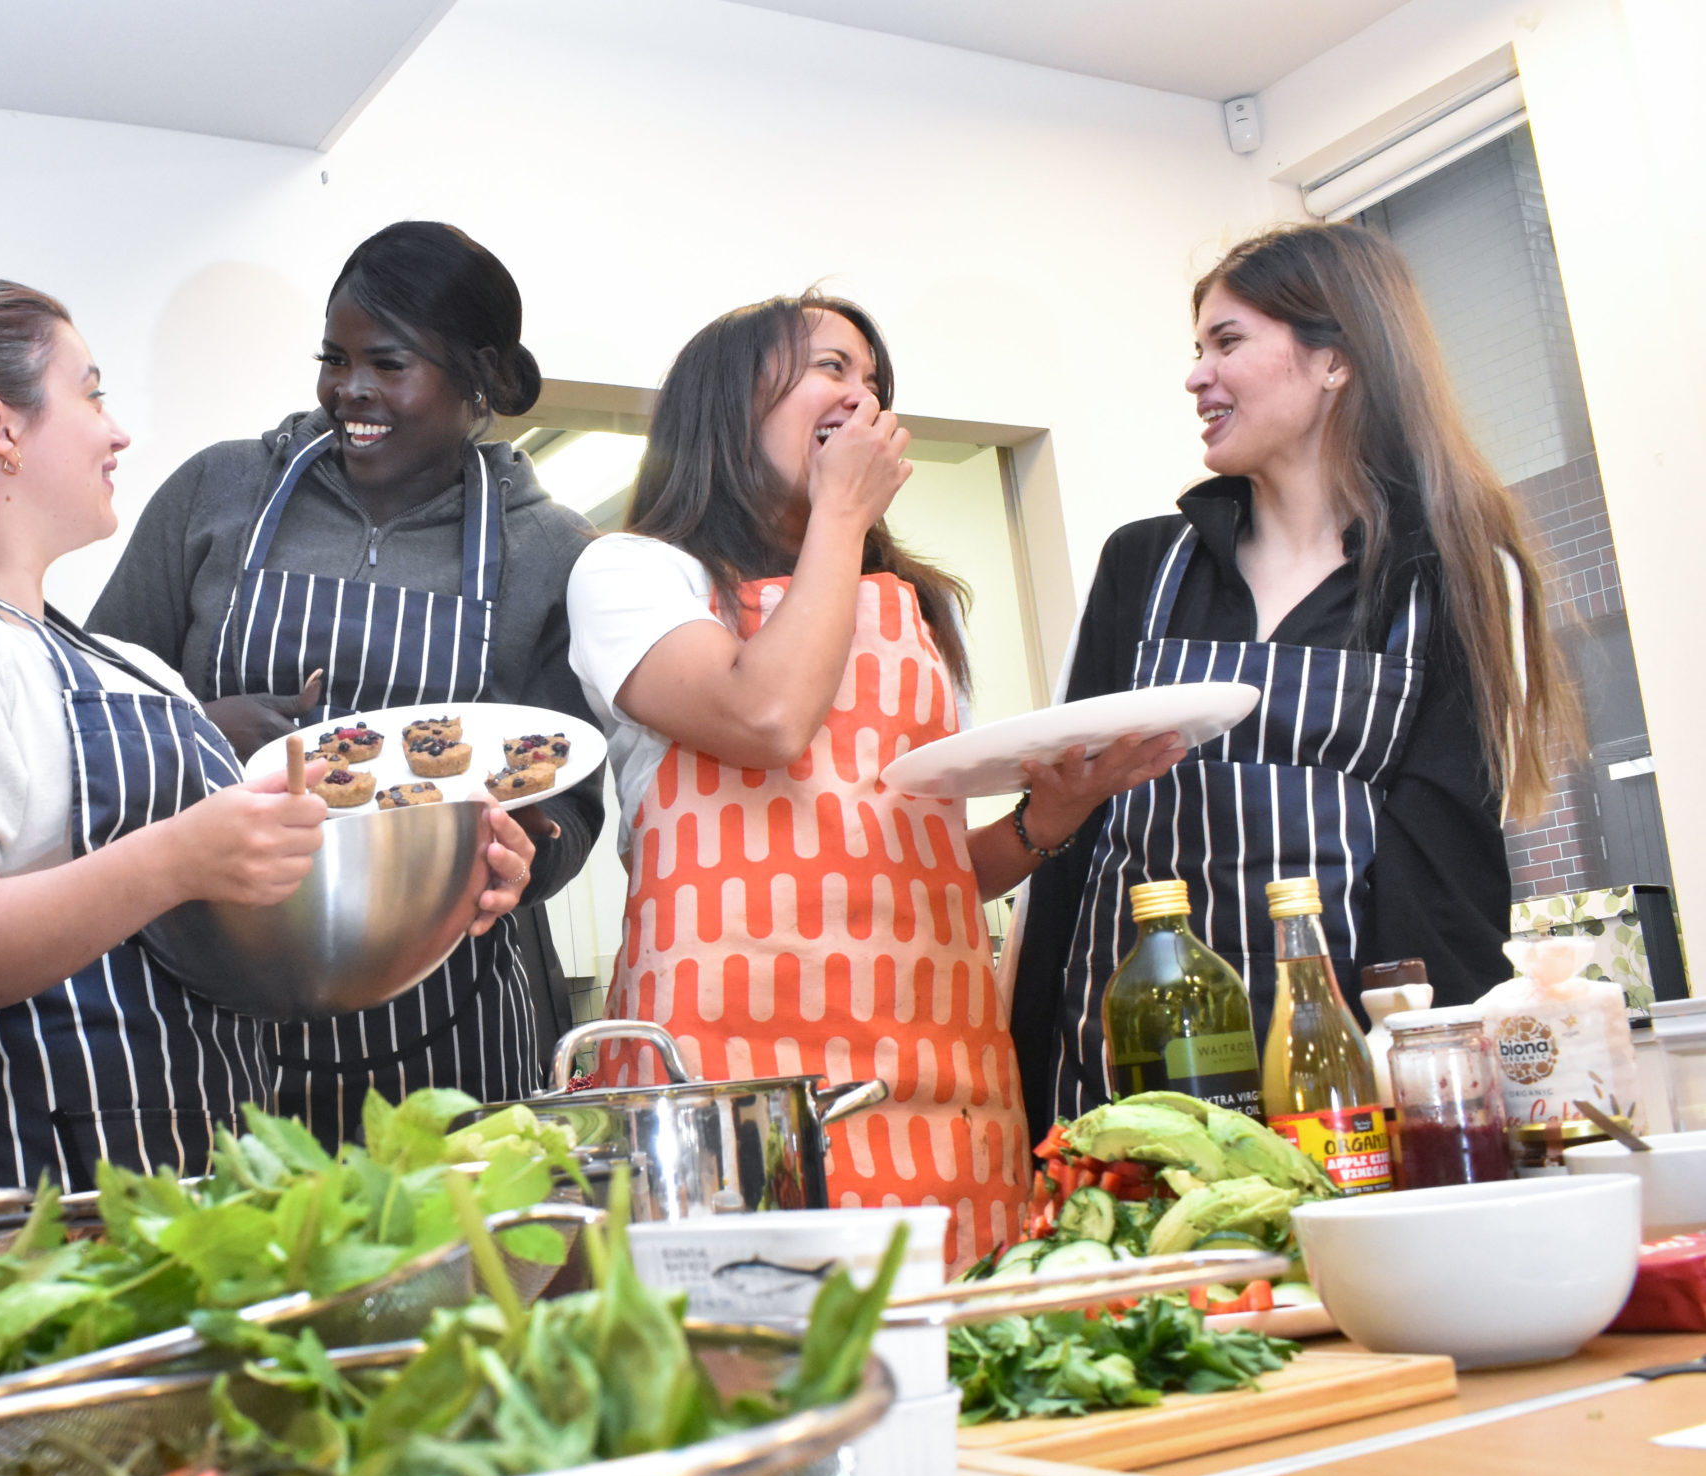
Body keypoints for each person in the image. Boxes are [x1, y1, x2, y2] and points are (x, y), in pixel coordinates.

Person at [0, 277, 538, 1187]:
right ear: (2, 427)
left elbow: (250, 881)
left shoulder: (128, 667)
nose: (116, 431)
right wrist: (172, 860)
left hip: (191, 1155)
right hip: (35, 1186)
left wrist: (449, 860)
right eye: (91, 393)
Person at [566, 294, 1179, 1268]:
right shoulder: (633, 572)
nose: (864, 397)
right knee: (764, 1367)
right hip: (727, 1094)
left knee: (973, 1377)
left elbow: (919, 863)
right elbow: (762, 716)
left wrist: (1047, 817)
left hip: (936, 1075)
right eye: (829, 368)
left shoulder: (920, 609)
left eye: (874, 380)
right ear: (728, 401)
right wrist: (842, 515)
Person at [1009, 222, 1573, 1132]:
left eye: (1228, 342)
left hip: (1340, 1072)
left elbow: (1445, 873)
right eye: (1197, 349)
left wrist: (1449, 1110)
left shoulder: (1446, 579)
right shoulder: (1148, 566)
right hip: (1123, 1068)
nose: (1197, 376)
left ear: (1334, 360)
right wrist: (1022, 1062)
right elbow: (1074, 830)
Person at [88, 222, 600, 1143]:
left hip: (455, 1010)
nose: (350, 389)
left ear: (477, 374)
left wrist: (528, 855)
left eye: (389, 363)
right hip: (215, 990)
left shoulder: (548, 549)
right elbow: (94, 720)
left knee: (459, 1266)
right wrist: (204, 730)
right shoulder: (219, 494)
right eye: (335, 358)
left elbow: (569, 793)